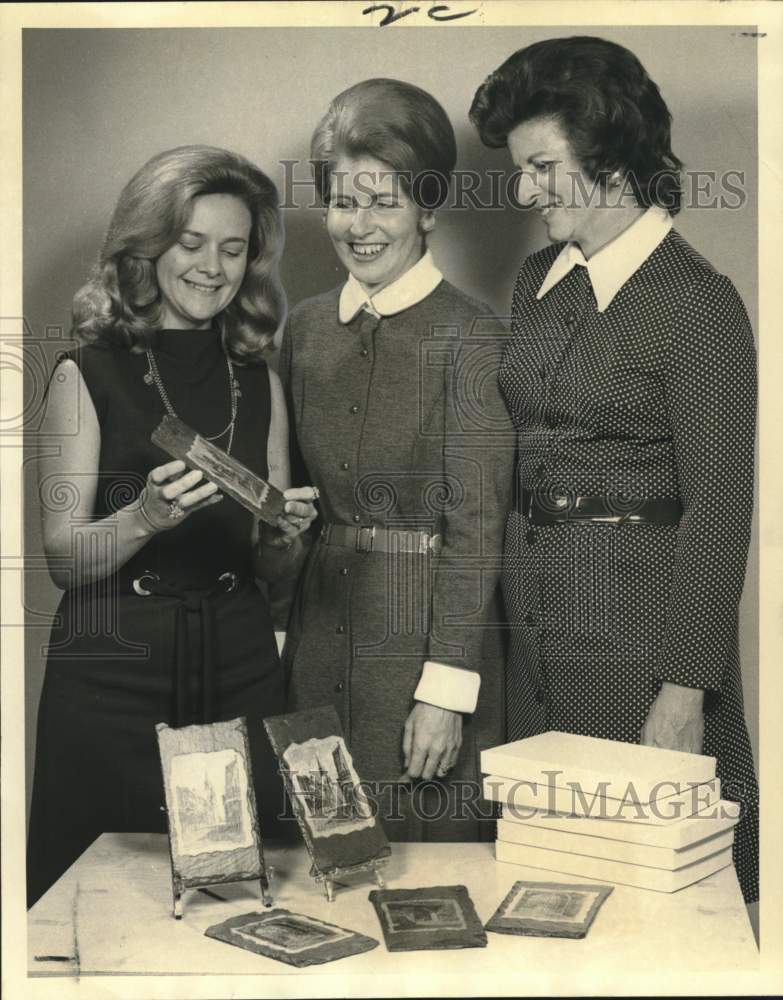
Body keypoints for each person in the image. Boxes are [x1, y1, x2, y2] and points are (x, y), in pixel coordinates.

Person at [469, 36, 758, 902]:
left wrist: (682, 691)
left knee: (643, 882)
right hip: (534, 625)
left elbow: (719, 510)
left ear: (611, 153)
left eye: (543, 167)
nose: (524, 191)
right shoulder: (535, 281)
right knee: (546, 870)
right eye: (520, 169)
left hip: (640, 631)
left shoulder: (698, 304)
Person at [27, 145, 318, 907]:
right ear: (146, 247)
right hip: (112, 670)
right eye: (190, 245)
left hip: (238, 662)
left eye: (232, 249)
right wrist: (142, 518)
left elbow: (272, 569)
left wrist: (284, 540)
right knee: (95, 899)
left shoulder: (259, 379)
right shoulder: (83, 372)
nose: (211, 268)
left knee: (248, 896)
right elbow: (62, 560)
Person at [279, 79, 513, 841]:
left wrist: (444, 691)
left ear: (427, 207)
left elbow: (477, 526)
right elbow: (292, 508)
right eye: (344, 201)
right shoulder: (305, 330)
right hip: (318, 641)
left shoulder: (471, 335)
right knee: (321, 866)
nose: (360, 225)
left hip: (421, 653)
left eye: (384, 200)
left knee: (425, 875)